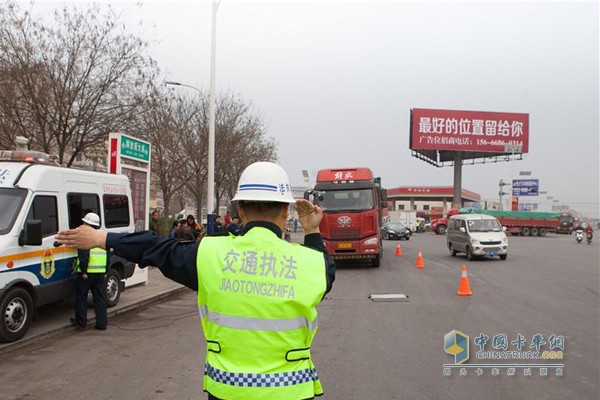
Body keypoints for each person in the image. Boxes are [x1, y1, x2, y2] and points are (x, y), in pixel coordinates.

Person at [56, 161, 335, 400]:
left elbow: (155, 247)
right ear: (285, 211)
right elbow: (326, 277)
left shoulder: (209, 254)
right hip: (290, 391)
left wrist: (102, 238)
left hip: (228, 389)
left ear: (240, 209)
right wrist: (312, 232)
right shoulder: (312, 264)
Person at [69, 212, 108, 331]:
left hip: (87, 273)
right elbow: (108, 254)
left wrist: (84, 271)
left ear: (87, 224)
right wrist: (105, 270)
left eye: (84, 222)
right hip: (100, 272)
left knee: (81, 297)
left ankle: (81, 323)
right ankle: (102, 324)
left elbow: (84, 255)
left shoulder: (86, 237)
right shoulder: (101, 236)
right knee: (100, 298)